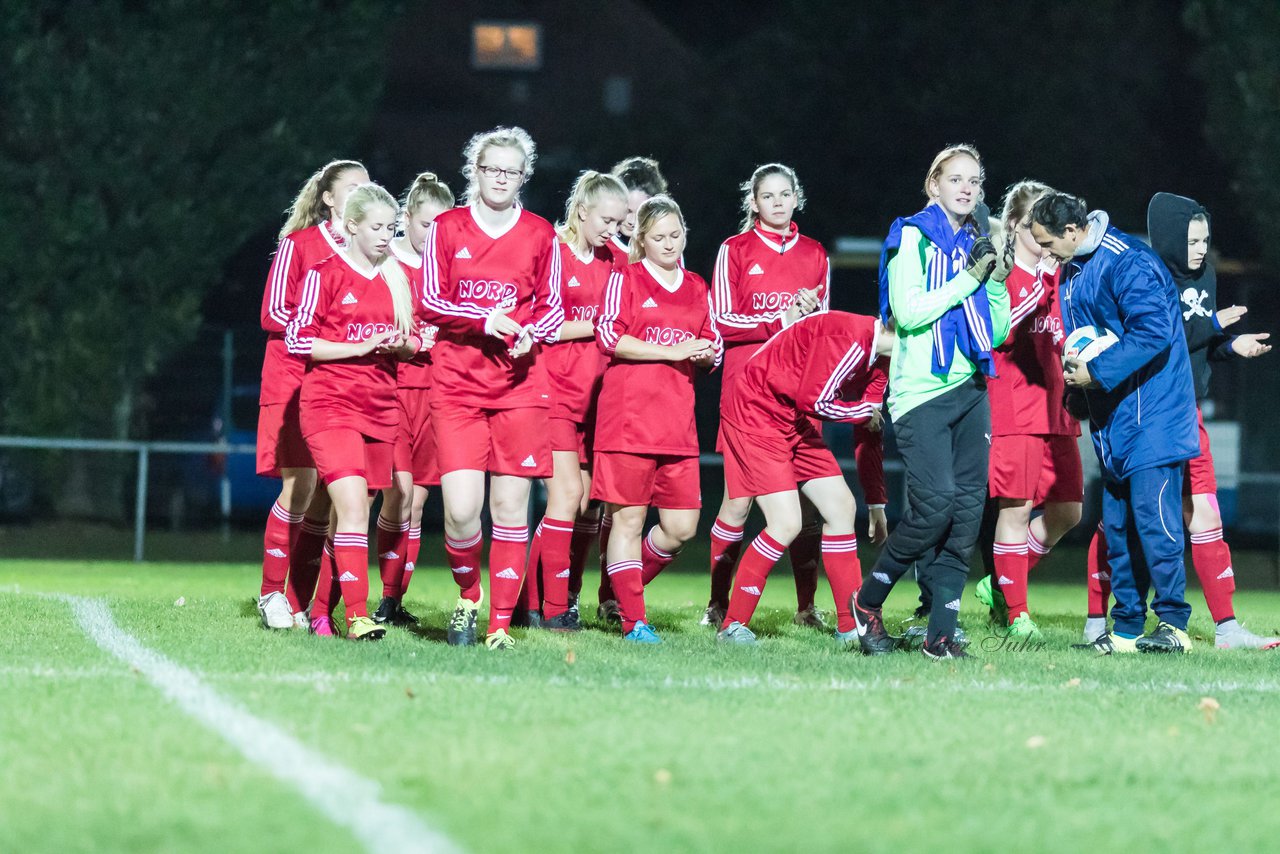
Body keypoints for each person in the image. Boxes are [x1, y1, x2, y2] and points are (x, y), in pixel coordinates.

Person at [1079, 193, 1276, 649]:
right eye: (1192, 240)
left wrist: (1229, 345)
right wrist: (1210, 325)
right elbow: (1156, 339)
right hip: (1146, 414)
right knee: (1121, 520)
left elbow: (1194, 346)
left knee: (1203, 514)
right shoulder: (1142, 270)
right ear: (1168, 238)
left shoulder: (1202, 274)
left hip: (1186, 412)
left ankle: (1225, 627)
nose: (1200, 249)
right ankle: (1098, 618)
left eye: (1205, 239)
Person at [852, 144, 1012, 660]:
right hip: (922, 391)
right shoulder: (913, 234)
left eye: (974, 181)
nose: (966, 188)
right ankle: (869, 599)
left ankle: (941, 634)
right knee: (934, 508)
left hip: (971, 389)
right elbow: (909, 310)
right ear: (934, 185)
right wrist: (969, 277)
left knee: (965, 515)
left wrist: (998, 284)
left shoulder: (975, 240)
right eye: (956, 179)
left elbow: (999, 331)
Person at [1029, 191, 1198, 654]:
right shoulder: (1071, 269)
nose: (1044, 252)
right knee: (1118, 529)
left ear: (1071, 231)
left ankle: (1174, 626)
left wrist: (1096, 373)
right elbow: (1084, 342)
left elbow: (1155, 331)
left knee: (1154, 523)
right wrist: (1078, 390)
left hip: (1154, 416)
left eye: (1047, 242)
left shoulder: (1128, 261)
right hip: (1114, 419)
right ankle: (1125, 630)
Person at [421, 127, 563, 651]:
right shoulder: (446, 227)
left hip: (521, 386)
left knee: (510, 509)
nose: (500, 178)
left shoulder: (540, 233)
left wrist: (532, 332)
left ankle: (499, 625)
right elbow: (430, 301)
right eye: (491, 169)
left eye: (511, 170)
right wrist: (487, 319)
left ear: (523, 176)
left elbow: (552, 307)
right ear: (474, 172)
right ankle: (469, 594)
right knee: (460, 511)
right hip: (457, 384)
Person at [705, 163, 842, 631]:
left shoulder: (816, 254)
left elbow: (821, 330)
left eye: (785, 194)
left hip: (798, 398)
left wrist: (805, 320)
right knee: (738, 503)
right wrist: (778, 322)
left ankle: (807, 608)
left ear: (796, 198)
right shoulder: (735, 250)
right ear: (754, 203)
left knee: (811, 510)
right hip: (748, 394)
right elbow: (720, 320)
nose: (778, 203)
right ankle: (718, 605)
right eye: (768, 196)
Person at [285, 181, 416, 640]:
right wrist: (357, 346)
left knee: (351, 515)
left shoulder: (397, 276)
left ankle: (320, 611)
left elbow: (416, 339)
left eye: (391, 227)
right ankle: (358, 615)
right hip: (330, 404)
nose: (385, 235)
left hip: (380, 407)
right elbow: (299, 340)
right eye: (377, 227)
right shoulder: (325, 273)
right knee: (351, 506)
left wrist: (404, 346)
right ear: (352, 225)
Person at [716, 311, 891, 646]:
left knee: (841, 507)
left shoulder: (880, 362)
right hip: (755, 410)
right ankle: (732, 625)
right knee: (786, 522)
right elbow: (816, 400)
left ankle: (850, 627)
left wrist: (876, 499)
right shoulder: (852, 338)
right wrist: (860, 412)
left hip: (792, 416)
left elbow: (870, 430)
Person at [592, 195, 721, 643]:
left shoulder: (697, 285)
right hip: (627, 421)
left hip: (677, 424)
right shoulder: (624, 279)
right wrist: (673, 350)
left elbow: (711, 343)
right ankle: (634, 620)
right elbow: (609, 335)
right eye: (659, 236)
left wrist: (707, 353)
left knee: (681, 527)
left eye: (676, 234)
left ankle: (617, 589)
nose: (669, 243)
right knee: (627, 522)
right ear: (641, 239)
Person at [256, 159, 369, 630]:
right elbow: (274, 313)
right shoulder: (299, 246)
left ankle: (305, 604)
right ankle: (270, 594)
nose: (364, 192)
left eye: (370, 186)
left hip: (347, 385)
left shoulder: (370, 251)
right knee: (300, 486)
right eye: (354, 187)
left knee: (333, 496)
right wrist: (328, 331)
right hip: (295, 377)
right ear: (328, 198)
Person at [971, 181, 1083, 639]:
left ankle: (1000, 579)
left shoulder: (1061, 275)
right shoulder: (1000, 277)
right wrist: (1036, 286)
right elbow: (996, 337)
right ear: (1017, 226)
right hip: (1014, 407)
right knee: (1014, 510)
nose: (1047, 240)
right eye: (1039, 232)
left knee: (1068, 512)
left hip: (1059, 407)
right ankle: (1016, 613)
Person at [519, 171, 629, 631]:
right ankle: (555, 608)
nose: (613, 230)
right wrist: (600, 324)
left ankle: (527, 597)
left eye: (621, 223)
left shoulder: (617, 260)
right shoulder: (553, 253)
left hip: (597, 397)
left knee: (582, 503)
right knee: (565, 496)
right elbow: (541, 324)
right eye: (607, 220)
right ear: (581, 210)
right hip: (553, 391)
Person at [370, 172, 455, 627]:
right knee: (394, 497)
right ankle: (335, 597)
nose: (433, 236)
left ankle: (392, 600)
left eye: (442, 228)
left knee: (417, 503)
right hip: (392, 389)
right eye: (426, 226)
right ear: (406, 220)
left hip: (438, 394)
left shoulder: (451, 268)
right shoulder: (387, 264)